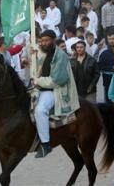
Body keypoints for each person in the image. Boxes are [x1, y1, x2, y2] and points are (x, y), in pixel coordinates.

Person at [32, 30, 80, 158]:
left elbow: (56, 80)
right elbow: (39, 68)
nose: (43, 43)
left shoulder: (60, 56)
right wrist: (32, 57)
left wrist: (37, 80)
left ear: (53, 40)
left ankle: (45, 144)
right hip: (41, 88)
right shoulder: (46, 53)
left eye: (46, 40)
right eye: (42, 41)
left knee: (40, 110)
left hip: (55, 90)